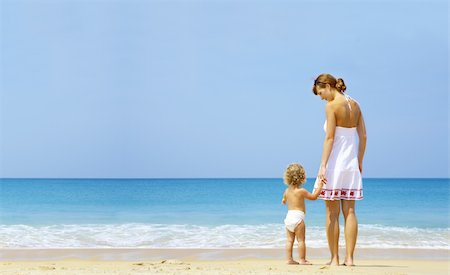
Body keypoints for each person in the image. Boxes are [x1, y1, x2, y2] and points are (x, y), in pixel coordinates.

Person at [311, 73, 367, 266]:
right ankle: (350, 259)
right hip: (351, 164)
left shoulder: (332, 106)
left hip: (335, 165)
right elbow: (364, 137)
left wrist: (323, 165)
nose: (322, 98)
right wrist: (359, 161)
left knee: (331, 214)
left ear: (327, 85)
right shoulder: (356, 104)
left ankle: (334, 259)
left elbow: (330, 139)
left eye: (321, 93)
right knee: (350, 212)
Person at [281, 163, 326, 265]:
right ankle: (302, 259)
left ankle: (289, 259)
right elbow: (314, 197)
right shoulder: (301, 191)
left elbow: (284, 200)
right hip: (298, 218)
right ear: (302, 177)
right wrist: (320, 186)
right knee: (301, 240)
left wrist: (284, 201)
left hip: (288, 218)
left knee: (289, 240)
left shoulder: (287, 191)